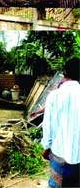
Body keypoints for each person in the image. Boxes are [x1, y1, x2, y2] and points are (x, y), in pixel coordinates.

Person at [41, 57, 80, 188]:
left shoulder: (54, 96)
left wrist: (46, 146)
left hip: (58, 153)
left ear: (65, 73)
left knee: (56, 185)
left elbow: (47, 126)